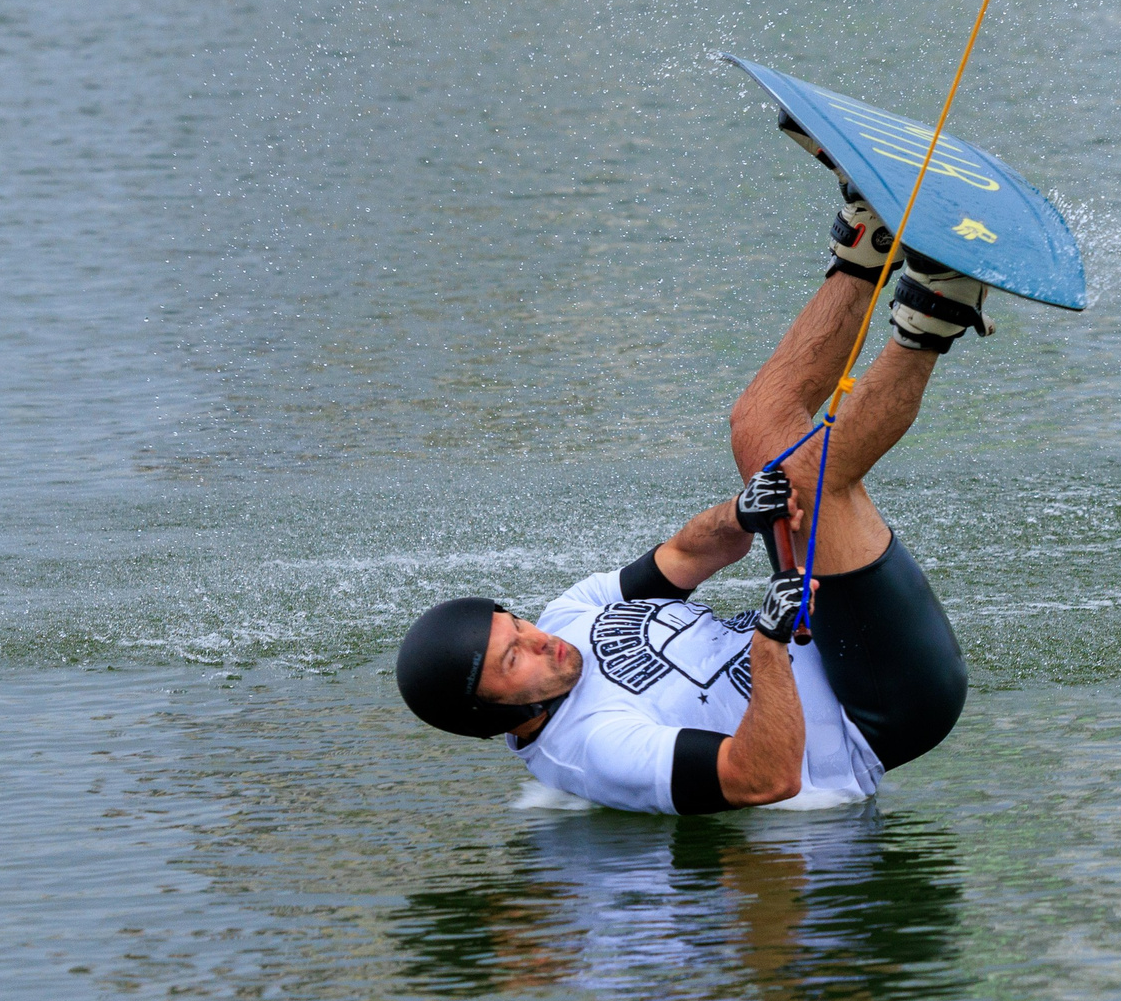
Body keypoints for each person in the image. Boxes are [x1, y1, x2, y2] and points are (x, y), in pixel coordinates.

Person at [393, 157, 996, 814]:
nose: (540, 640)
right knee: (813, 484)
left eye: (517, 625)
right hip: (879, 708)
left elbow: (684, 556)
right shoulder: (591, 748)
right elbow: (761, 779)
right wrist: (767, 642)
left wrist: (738, 516)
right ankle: (938, 308)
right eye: (515, 660)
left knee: (755, 429)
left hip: (827, 638)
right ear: (495, 716)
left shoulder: (570, 618)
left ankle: (864, 246)